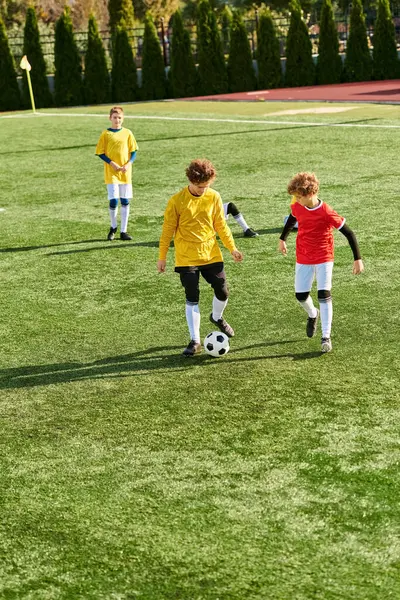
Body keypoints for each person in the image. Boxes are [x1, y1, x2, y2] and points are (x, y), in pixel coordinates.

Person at [157, 159, 243, 357]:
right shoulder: (177, 201)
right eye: (199, 186)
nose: (203, 189)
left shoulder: (214, 197)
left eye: (206, 186)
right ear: (190, 180)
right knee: (192, 297)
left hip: (211, 253)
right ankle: (195, 340)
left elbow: (221, 225)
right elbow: (167, 231)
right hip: (186, 257)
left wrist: (232, 248)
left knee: (223, 291)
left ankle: (217, 317)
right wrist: (162, 257)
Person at [278, 172, 364, 353]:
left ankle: (326, 336)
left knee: (324, 293)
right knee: (300, 296)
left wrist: (358, 259)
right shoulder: (297, 205)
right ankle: (312, 314)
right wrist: (282, 239)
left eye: (298, 196)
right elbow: (293, 217)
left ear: (309, 194)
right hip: (303, 256)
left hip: (324, 256)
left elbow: (349, 233)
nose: (296, 200)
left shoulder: (326, 211)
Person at [95, 106, 138, 241]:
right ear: (110, 118)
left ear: (123, 119)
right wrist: (111, 163)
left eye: (119, 118)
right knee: (113, 200)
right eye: (114, 117)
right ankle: (113, 227)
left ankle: (123, 231)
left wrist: (129, 163)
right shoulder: (106, 134)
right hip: (111, 172)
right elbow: (100, 152)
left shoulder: (128, 133)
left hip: (125, 172)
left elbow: (134, 151)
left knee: (125, 200)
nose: (117, 120)